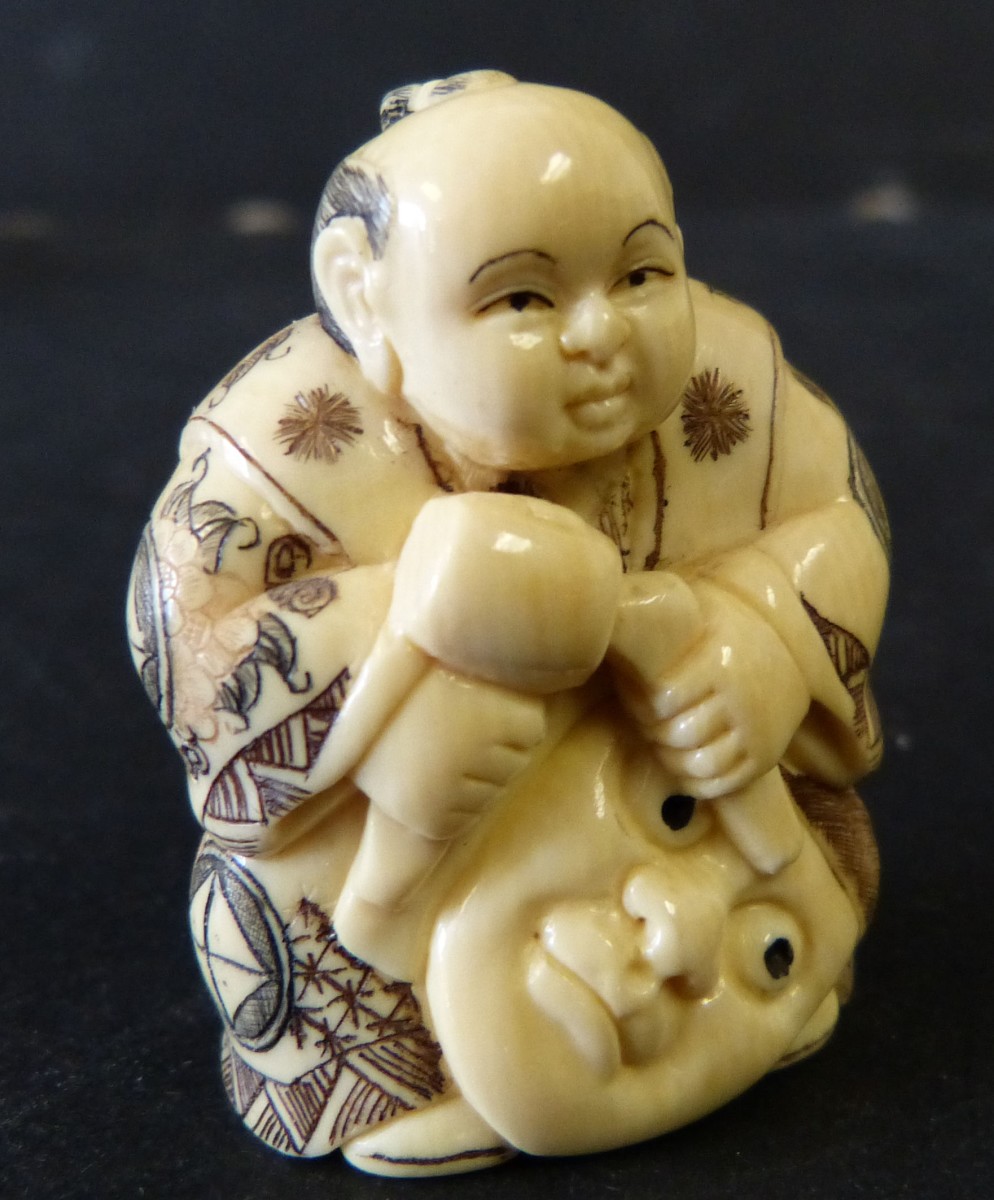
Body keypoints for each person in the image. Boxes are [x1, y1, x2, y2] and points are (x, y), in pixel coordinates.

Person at [127, 70, 889, 1174]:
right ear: (364, 298)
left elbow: (838, 517)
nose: (600, 333)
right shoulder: (284, 448)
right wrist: (397, 653)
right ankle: (433, 1060)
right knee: (287, 921)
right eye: (523, 299)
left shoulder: (735, 386)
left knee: (802, 849)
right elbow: (191, 645)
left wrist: (761, 643)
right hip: (439, 837)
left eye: (640, 273)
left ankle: (769, 977)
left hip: (690, 802)